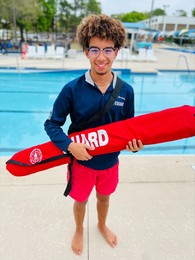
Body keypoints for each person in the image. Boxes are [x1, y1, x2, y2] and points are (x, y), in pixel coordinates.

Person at [44, 14, 144, 256]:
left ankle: (100, 224)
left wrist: (134, 145)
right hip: (81, 164)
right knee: (81, 201)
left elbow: (129, 129)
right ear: (86, 52)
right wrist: (69, 146)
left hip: (110, 163)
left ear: (117, 52)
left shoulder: (126, 92)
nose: (101, 57)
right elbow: (52, 124)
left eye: (108, 50)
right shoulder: (71, 90)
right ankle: (79, 228)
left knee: (104, 199)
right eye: (95, 49)